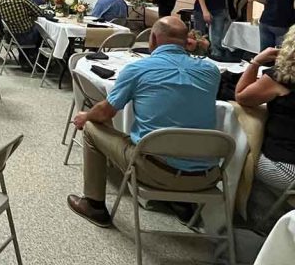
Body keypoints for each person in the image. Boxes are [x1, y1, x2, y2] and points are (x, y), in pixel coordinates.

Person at [67, 16, 221, 227]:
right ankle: (183, 204)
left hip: (154, 171)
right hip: (206, 177)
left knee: (92, 126)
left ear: (153, 40)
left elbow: (105, 113)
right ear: (187, 41)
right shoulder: (211, 71)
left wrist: (85, 116)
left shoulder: (138, 70)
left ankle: (94, 205)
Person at [236, 29, 295, 228]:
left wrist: (256, 62)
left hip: (287, 169)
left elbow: (242, 96)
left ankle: (247, 216)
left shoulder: (282, 79)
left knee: (240, 150)